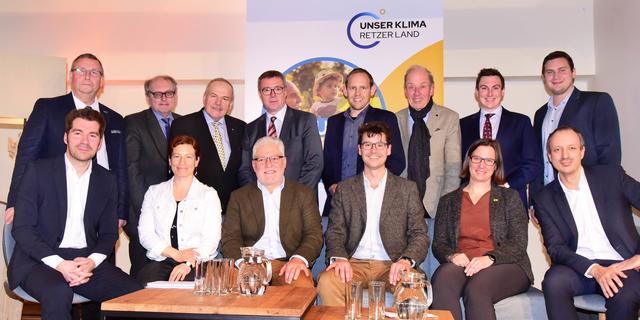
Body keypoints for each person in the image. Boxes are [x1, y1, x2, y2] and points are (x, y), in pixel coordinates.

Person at [7, 108, 142, 320]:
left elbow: (109, 234)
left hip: (84, 260)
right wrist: (61, 265)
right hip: (39, 261)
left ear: (99, 143)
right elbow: (22, 229)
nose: (85, 141)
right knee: (59, 292)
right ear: (65, 137)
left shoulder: (107, 180)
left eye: (93, 135)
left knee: (137, 294)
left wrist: (92, 262)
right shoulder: (38, 171)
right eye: (78, 133)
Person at [5, 53, 128, 227]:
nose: (87, 76)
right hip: (54, 205)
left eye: (94, 72)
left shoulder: (115, 119)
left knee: (99, 254)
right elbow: (26, 157)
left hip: (102, 205)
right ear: (71, 76)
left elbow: (120, 168)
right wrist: (15, 201)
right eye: (81, 70)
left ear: (101, 80)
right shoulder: (47, 108)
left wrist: (121, 209)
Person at [534, 126, 640, 320]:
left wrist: (638, 258)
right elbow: (556, 248)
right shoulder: (543, 198)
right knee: (553, 282)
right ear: (549, 156)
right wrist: (595, 270)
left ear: (582, 151)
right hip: (580, 267)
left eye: (572, 148)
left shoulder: (611, 176)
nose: (565, 155)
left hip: (621, 264)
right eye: (557, 150)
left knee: (624, 295)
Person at [318, 121, 428, 306]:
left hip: (392, 265)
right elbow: (335, 232)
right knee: (327, 281)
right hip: (353, 264)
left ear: (389, 149)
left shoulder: (407, 189)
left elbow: (419, 234)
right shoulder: (345, 189)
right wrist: (340, 258)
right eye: (368, 145)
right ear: (360, 150)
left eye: (380, 144)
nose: (373, 150)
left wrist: (406, 261)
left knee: (413, 284)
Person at [431, 139, 532, 320]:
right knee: (442, 277)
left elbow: (518, 243)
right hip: (465, 265)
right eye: (477, 159)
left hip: (505, 264)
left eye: (488, 160)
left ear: (495, 166)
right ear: (468, 161)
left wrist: (490, 258)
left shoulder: (509, 197)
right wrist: (452, 256)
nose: (481, 165)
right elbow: (439, 243)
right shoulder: (449, 201)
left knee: (477, 288)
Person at [221, 137, 323, 287]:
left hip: (287, 264)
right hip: (251, 264)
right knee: (230, 286)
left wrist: (298, 259)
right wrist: (243, 263)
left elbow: (313, 234)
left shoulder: (304, 194)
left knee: (302, 288)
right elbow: (230, 238)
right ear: (254, 165)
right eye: (262, 159)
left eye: (274, 158)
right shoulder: (239, 197)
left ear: (284, 162)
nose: (268, 164)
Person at [396, 65, 461, 277]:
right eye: (411, 87)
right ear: (405, 91)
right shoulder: (395, 119)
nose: (417, 92)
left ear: (432, 89)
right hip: (403, 208)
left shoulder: (449, 118)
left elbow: (453, 168)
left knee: (435, 268)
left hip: (436, 206)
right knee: (405, 267)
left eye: (422, 86)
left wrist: (445, 205)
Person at [532, 51, 621, 199]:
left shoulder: (597, 101)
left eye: (562, 70)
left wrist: (603, 194)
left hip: (587, 194)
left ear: (573, 73)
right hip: (550, 197)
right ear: (543, 78)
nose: (556, 77)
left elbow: (610, 154)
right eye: (550, 72)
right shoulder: (540, 114)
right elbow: (539, 159)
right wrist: (536, 200)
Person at [137, 135, 222, 285]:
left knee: (186, 289)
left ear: (197, 161)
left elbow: (211, 239)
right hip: (163, 259)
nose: (182, 162)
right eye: (177, 156)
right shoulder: (153, 192)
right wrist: (175, 254)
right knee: (145, 286)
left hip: (197, 262)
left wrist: (187, 264)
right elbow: (145, 234)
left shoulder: (209, 195)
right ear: (170, 160)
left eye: (188, 157)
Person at [322, 68, 405, 215]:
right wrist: (330, 185)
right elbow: (326, 161)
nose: (357, 93)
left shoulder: (386, 118)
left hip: (374, 204)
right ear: (345, 91)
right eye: (353, 88)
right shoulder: (334, 122)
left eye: (363, 88)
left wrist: (373, 187)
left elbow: (397, 161)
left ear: (372, 90)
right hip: (337, 203)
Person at [124, 75, 181, 278]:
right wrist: (148, 210)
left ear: (175, 95)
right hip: (144, 212)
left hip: (179, 215)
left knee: (174, 272)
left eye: (169, 93)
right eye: (157, 93)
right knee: (144, 274)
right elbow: (132, 170)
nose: (164, 98)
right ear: (148, 97)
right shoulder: (134, 122)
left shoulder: (184, 122)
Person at [460, 68, 540, 209]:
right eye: (484, 88)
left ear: (502, 92)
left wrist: (505, 186)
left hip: (511, 202)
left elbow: (532, 165)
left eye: (495, 88)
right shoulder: (462, 125)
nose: (490, 93)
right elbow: (460, 165)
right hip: (472, 204)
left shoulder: (521, 122)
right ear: (477, 92)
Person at [170, 78, 245, 214]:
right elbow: (174, 169)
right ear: (204, 98)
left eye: (225, 98)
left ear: (231, 104)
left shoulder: (241, 127)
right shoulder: (183, 125)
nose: (218, 102)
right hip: (195, 209)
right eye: (213, 96)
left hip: (232, 212)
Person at [238, 70, 323, 191]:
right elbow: (245, 170)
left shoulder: (306, 121)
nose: (272, 94)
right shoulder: (250, 129)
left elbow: (315, 163)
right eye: (266, 90)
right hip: (262, 205)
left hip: (299, 203)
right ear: (260, 94)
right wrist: (260, 198)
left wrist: (292, 198)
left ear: (285, 92)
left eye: (277, 89)